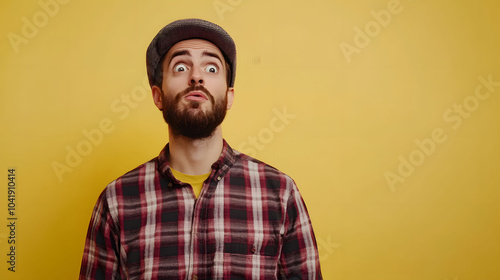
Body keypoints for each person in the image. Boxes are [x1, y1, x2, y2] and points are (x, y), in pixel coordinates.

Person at [80, 18, 322, 280]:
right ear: (158, 96)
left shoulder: (280, 194)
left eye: (211, 68)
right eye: (181, 67)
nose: (196, 76)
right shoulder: (116, 201)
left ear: (229, 96)